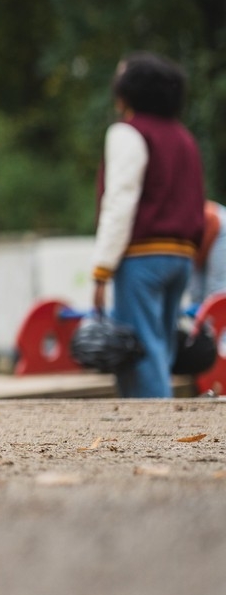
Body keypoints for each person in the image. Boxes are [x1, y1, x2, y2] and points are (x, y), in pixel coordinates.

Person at [91, 52, 206, 398]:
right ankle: (161, 415)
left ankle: (155, 423)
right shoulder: (184, 137)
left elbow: (120, 200)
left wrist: (102, 268)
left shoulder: (128, 132)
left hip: (143, 257)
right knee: (162, 347)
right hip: (180, 257)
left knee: (139, 352)